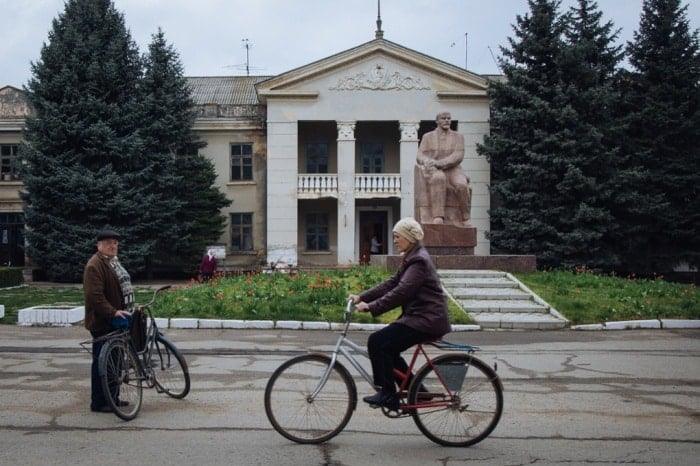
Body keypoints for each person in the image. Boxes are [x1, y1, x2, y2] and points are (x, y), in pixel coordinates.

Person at [348, 217, 451, 410]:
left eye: (397, 237)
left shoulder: (418, 260)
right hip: (422, 317)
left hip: (426, 320)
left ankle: (388, 394)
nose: (394, 240)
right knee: (389, 349)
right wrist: (361, 297)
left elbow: (401, 292)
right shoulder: (412, 257)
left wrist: (371, 307)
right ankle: (418, 392)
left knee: (378, 342)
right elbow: (391, 283)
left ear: (409, 238)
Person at [83, 229, 135, 413]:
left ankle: (112, 398)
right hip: (103, 322)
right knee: (102, 363)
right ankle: (98, 402)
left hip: (117, 320)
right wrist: (112, 312)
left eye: (115, 243)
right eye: (108, 243)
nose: (112, 246)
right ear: (99, 246)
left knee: (115, 361)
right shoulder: (94, 265)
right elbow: (95, 297)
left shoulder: (112, 262)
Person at [415, 111, 471, 225]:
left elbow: (458, 156)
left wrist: (439, 163)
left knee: (462, 185)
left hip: (453, 169)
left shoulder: (458, 137)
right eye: (443, 118)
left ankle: (466, 216)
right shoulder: (428, 136)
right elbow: (419, 155)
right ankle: (438, 216)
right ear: (437, 121)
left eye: (449, 118)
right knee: (438, 178)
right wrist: (426, 161)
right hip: (434, 170)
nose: (447, 120)